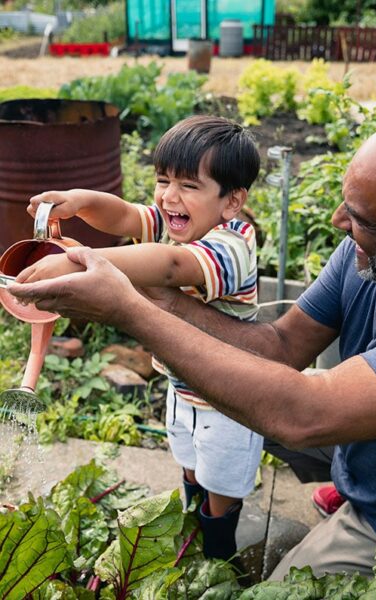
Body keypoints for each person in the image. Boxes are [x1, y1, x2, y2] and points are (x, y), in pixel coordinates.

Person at [10, 113, 376, 587]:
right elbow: (282, 346)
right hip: (335, 430)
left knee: (278, 589)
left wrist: (118, 298)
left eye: (360, 219)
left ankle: (261, 534)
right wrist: (83, 204)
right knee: (205, 452)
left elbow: (301, 413)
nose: (338, 223)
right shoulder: (371, 247)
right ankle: (348, 484)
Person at [18, 115, 264, 563]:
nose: (170, 196)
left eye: (189, 186)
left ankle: (219, 551)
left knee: (222, 480)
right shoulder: (177, 222)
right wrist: (80, 201)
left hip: (232, 396)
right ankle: (193, 521)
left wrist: (79, 262)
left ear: (232, 201)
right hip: (182, 384)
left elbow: (172, 266)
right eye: (163, 180)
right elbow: (127, 215)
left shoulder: (232, 246)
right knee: (189, 460)